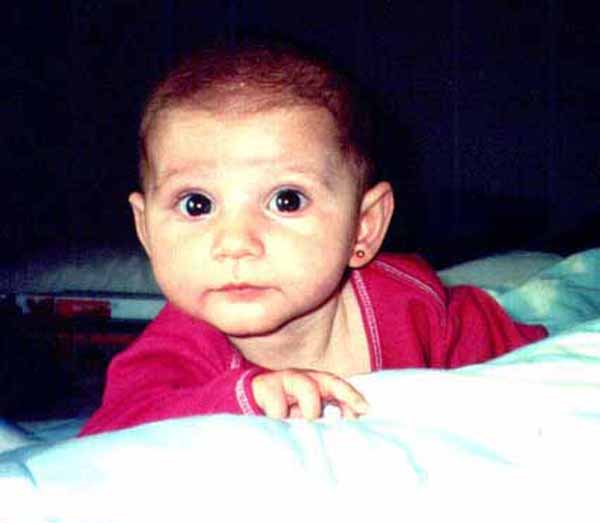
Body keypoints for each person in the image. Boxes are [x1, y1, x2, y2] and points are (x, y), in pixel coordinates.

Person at [79, 39, 546, 436]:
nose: (235, 242)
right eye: (196, 204)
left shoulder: (415, 306)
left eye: (286, 200)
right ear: (146, 230)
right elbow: (111, 433)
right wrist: (239, 397)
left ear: (363, 227)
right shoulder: (176, 350)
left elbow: (545, 367)